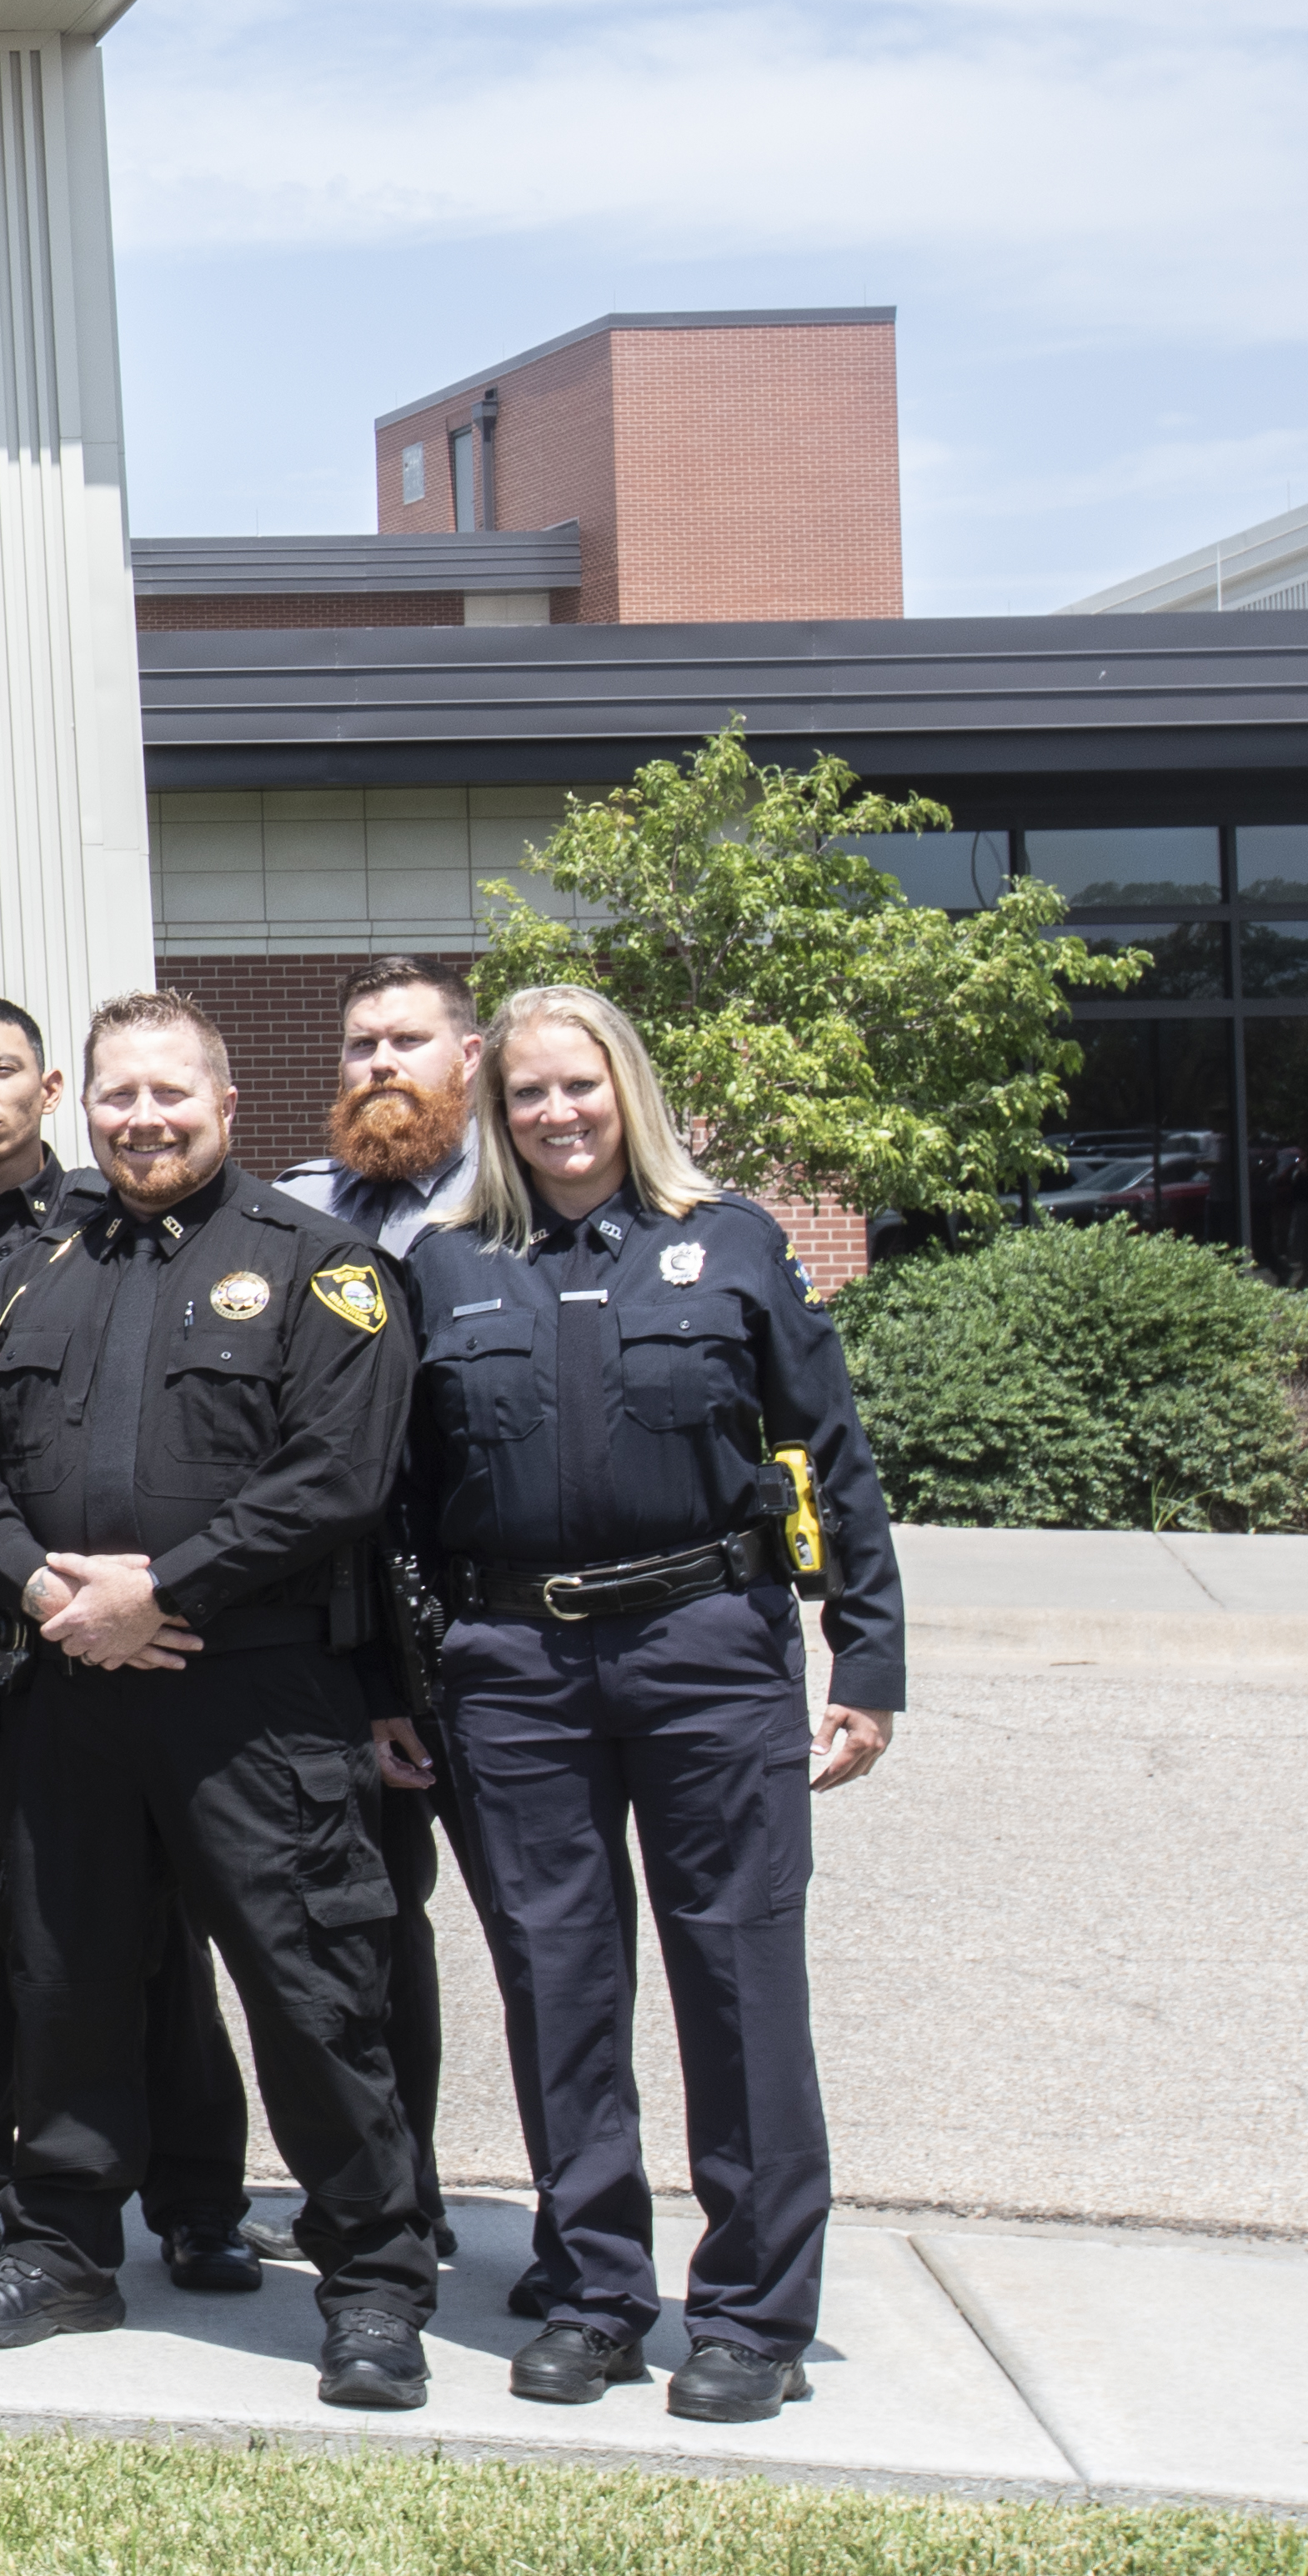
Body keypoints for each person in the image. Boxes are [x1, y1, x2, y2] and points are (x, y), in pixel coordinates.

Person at [0, 991, 439, 2411]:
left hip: (253, 1696)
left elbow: (338, 1472)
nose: (139, 1119)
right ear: (84, 1108)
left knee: (311, 1989)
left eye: (167, 1094)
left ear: (224, 1104)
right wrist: (41, 1591)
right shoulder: (39, 1268)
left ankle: (373, 2280)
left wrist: (168, 1591)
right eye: (116, 1095)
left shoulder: (316, 1266)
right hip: (73, 1684)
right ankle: (65, 2244)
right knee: (66, 1978)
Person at [399, 984, 905, 2424]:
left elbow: (827, 1452)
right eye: (526, 1096)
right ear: (493, 1117)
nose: (556, 1115)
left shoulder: (731, 1242)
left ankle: (748, 2314)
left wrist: (862, 1660)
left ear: (628, 1090)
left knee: (737, 1984)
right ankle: (595, 2291)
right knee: (559, 1988)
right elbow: (407, 1508)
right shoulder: (448, 1266)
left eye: (580, 1087)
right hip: (511, 1671)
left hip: (706, 1647)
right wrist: (402, 1681)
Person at [0, 999, 253, 2293]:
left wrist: (74, 1588)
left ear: (49, 1086)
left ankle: (196, 2199)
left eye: (1, 1071)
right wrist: (0, 1565)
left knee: (147, 1921)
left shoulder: (102, 1226)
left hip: (99, 1631)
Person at [268, 953, 507, 2293]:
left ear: (464, 1061)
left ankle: (584, 2233)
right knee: (364, 1926)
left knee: (542, 1938)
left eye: (406, 1042)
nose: (376, 1065)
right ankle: (389, 2196)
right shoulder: (299, 1213)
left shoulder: (508, 1201)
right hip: (344, 1627)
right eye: (359, 1043)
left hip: (486, 1616)